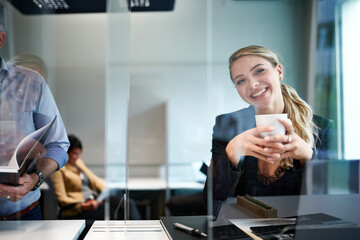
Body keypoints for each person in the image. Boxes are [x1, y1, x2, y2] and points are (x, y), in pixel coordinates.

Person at [204, 45, 334, 201]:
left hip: (295, 225)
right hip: (239, 223)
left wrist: (308, 156)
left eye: (259, 71)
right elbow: (209, 203)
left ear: (278, 71)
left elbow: (329, 202)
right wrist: (231, 154)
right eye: (241, 80)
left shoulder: (322, 128)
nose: (252, 84)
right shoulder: (227, 125)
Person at [0, 3, 69, 220]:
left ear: (0, 40)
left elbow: (58, 145)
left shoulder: (32, 83)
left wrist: (35, 177)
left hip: (24, 217)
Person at [50, 134, 141, 220]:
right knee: (117, 213)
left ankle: (139, 235)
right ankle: (135, 236)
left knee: (128, 204)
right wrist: (82, 205)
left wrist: (106, 189)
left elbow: (93, 179)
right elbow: (61, 199)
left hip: (94, 199)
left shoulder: (78, 163)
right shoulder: (59, 169)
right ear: (66, 153)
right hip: (79, 208)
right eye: (74, 154)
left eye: (79, 154)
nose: (77, 157)